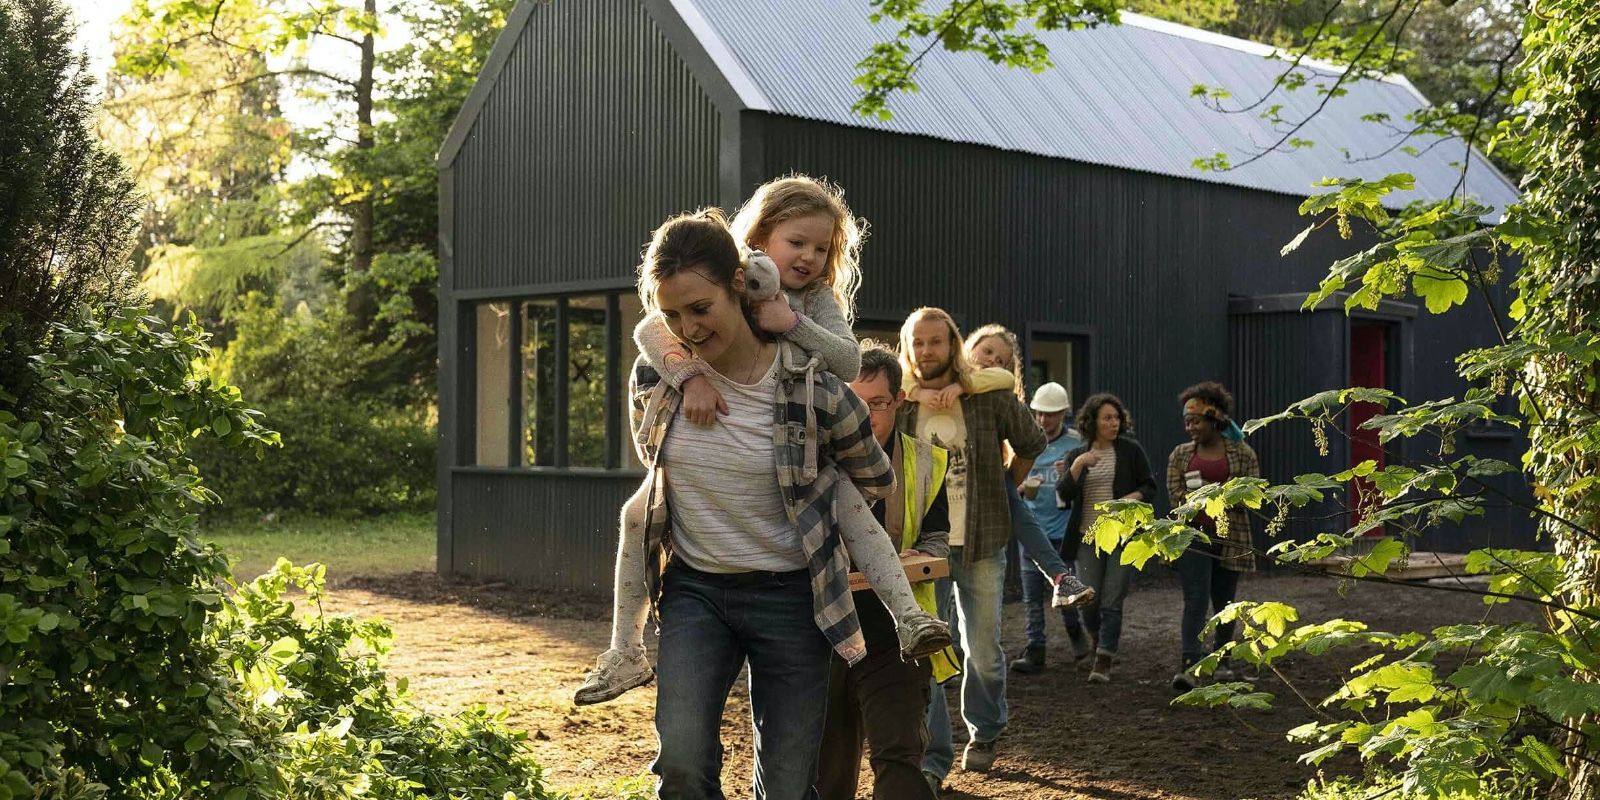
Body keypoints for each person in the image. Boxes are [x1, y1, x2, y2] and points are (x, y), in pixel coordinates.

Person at [576, 176, 948, 707]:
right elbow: (650, 331)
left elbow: (848, 362)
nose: (810, 258)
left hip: (805, 440)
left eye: (822, 249)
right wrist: (689, 377)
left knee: (850, 507)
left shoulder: (816, 300)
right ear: (759, 237)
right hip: (725, 447)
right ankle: (625, 648)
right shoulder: (733, 281)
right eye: (797, 242)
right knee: (636, 515)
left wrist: (791, 322)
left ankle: (907, 616)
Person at [619, 208, 894, 798]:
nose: (688, 328)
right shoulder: (657, 378)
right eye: (673, 315)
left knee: (790, 787)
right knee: (681, 765)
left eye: (701, 308)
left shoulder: (809, 382)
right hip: (696, 591)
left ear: (739, 285)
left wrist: (824, 500)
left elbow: (874, 475)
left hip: (791, 597)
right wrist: (689, 375)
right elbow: (652, 460)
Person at [896, 308, 1047, 784]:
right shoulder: (902, 401)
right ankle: (933, 757)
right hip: (924, 549)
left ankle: (985, 731)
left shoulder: (988, 397)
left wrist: (1006, 487)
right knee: (929, 652)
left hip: (982, 540)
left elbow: (1032, 441)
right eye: (918, 343)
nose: (927, 351)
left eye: (935, 342)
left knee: (981, 650)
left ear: (953, 344)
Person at [817, 342, 960, 800]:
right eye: (853, 404)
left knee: (899, 757)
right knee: (827, 770)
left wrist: (915, 558)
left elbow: (937, 539)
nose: (864, 417)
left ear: (899, 401)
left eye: (876, 404)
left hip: (897, 634)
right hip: (824, 629)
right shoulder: (811, 459)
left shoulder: (927, 461)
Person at [1056, 392, 1156, 684]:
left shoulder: (1130, 450)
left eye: (1117, 418)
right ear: (1093, 422)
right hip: (1087, 538)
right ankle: (1099, 639)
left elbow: (1149, 486)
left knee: (1112, 599)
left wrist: (1132, 498)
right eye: (1107, 418)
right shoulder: (1078, 454)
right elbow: (1064, 493)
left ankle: (1104, 658)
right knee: (1088, 599)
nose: (1114, 423)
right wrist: (1078, 465)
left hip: (1122, 537)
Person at [1166, 381, 1260, 691]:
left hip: (1231, 536)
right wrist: (1213, 496)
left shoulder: (1243, 453)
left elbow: (1251, 495)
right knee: (1195, 599)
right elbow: (1176, 495)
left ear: (1214, 418)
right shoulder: (1180, 455)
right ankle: (1189, 664)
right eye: (1187, 422)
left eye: (1196, 421)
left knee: (1225, 601)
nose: (1190, 428)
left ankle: (1222, 660)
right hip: (1193, 535)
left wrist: (1210, 495)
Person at [1012, 381, 1096, 673]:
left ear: (1063, 413)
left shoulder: (1076, 444)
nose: (1043, 420)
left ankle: (1076, 634)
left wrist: (1072, 473)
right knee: (1031, 596)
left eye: (1050, 414)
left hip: (1063, 533)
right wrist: (1020, 488)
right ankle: (1035, 648)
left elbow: (1090, 483)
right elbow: (1012, 479)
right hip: (1032, 530)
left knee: (1067, 592)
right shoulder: (1025, 442)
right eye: (1038, 413)